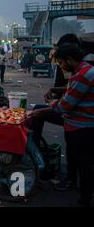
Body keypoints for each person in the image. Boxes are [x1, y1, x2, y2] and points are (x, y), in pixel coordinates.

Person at [28, 43, 94, 207]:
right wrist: (57, 89)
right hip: (78, 121)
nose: (61, 67)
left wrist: (42, 111)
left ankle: (84, 199)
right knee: (79, 159)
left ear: (70, 59)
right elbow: (71, 87)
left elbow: (64, 106)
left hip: (82, 125)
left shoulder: (82, 75)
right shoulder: (84, 68)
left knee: (85, 164)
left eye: (62, 63)